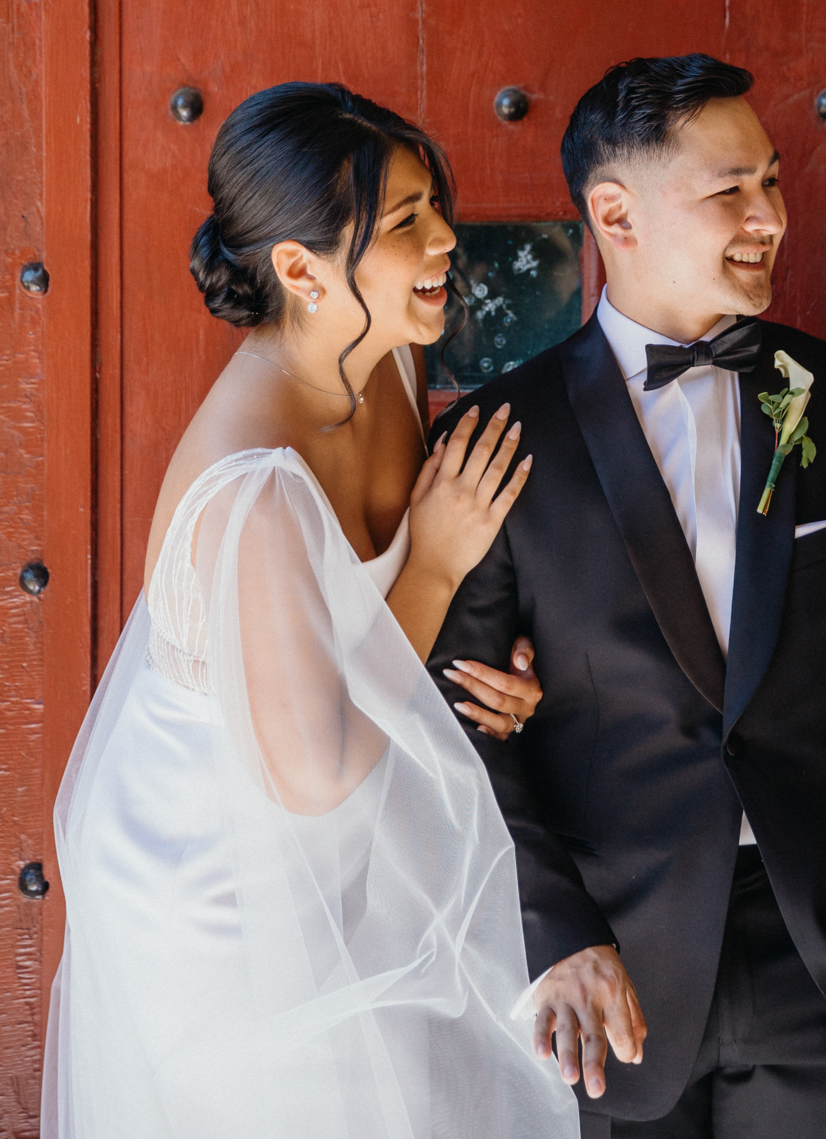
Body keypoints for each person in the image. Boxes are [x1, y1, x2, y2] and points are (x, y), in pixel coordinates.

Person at [429, 54, 826, 1139]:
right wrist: (550, 926)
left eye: (774, 182)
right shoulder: (498, 438)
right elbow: (456, 721)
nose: (770, 218)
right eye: (730, 190)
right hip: (603, 980)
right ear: (615, 213)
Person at [43, 82, 580, 1139]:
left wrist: (491, 666)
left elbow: (377, 653)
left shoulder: (385, 354)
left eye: (435, 207)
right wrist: (430, 565)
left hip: (343, 850)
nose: (443, 243)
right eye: (403, 225)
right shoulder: (256, 485)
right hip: (230, 896)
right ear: (298, 270)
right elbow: (315, 773)